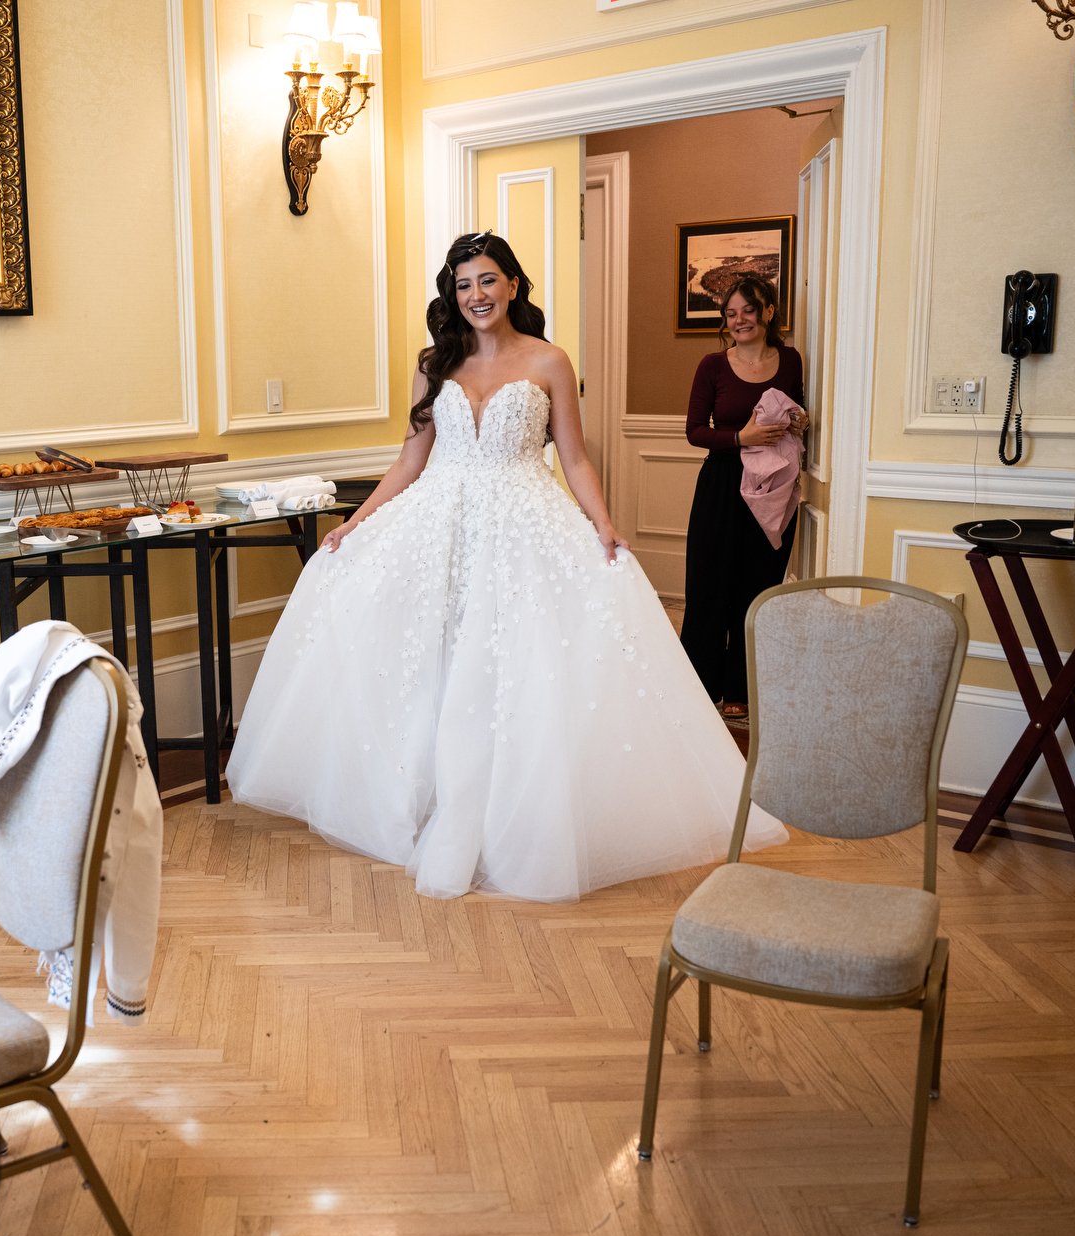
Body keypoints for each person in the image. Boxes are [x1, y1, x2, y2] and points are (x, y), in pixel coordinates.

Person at [227, 232, 785, 901]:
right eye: (463, 285)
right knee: (430, 659)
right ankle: (424, 801)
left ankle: (510, 814)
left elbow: (574, 456)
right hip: (439, 520)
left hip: (524, 520)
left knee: (512, 665)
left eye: (488, 281)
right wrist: (355, 521)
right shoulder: (435, 362)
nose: (476, 296)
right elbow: (409, 460)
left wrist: (603, 525)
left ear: (513, 285)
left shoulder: (549, 360)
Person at [678, 275, 809, 720]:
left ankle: (742, 686)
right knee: (709, 584)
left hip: (773, 485)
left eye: (748, 311)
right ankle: (699, 684)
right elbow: (695, 431)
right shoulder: (711, 366)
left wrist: (798, 423)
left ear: (769, 311)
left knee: (758, 584)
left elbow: (796, 408)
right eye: (731, 313)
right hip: (721, 484)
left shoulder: (791, 360)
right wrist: (741, 436)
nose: (739, 320)